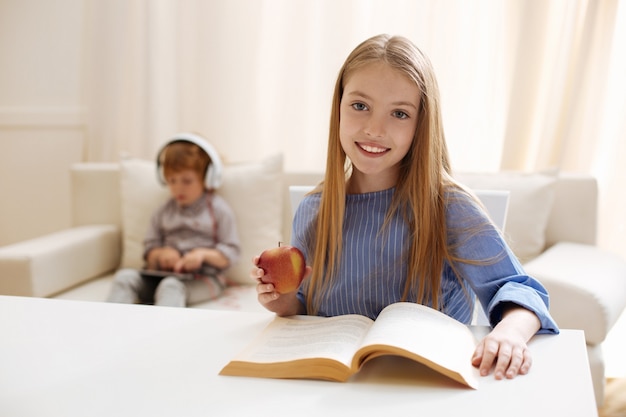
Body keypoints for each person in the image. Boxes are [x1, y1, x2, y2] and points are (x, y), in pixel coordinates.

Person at [253, 34, 558, 380]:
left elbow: (520, 290)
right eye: (359, 106)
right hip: (337, 389)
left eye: (399, 113)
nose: (374, 129)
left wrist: (510, 333)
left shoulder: (448, 207)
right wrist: (282, 302)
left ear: (421, 125)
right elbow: (306, 306)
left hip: (425, 388)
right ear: (338, 107)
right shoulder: (314, 211)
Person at [107, 133, 241, 307]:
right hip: (161, 277)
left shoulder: (219, 210)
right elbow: (149, 249)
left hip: (205, 279)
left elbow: (231, 253)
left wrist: (202, 255)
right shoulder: (163, 211)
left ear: (208, 177)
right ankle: (108, 323)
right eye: (172, 180)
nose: (178, 187)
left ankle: (164, 332)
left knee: (170, 286)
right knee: (124, 277)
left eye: (187, 181)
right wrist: (161, 254)